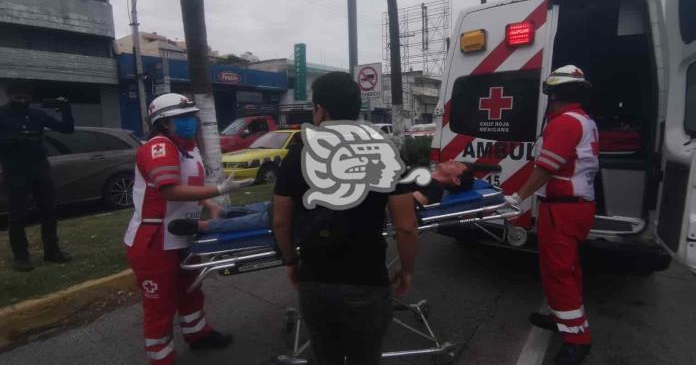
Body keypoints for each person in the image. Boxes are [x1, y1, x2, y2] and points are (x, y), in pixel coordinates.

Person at [272, 72, 419, 365]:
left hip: (316, 279)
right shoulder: (384, 149)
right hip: (366, 280)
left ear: (319, 109)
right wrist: (408, 269)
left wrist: (291, 262)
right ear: (358, 107)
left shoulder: (297, 154)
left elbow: (280, 221)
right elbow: (405, 226)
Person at [123, 92, 250, 365]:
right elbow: (169, 191)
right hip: (154, 240)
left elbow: (189, 186)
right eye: (183, 118)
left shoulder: (188, 149)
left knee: (191, 291)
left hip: (183, 233)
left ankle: (198, 334)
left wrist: (211, 203)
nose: (190, 121)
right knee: (160, 305)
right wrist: (218, 188)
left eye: (191, 116)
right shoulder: (158, 148)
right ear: (164, 123)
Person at [504, 65, 599, 365]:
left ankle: (577, 339)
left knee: (560, 270)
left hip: (564, 209)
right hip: (572, 206)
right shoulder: (583, 120)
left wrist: (517, 198)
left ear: (554, 93)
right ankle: (563, 317)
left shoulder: (565, 124)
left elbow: (546, 169)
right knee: (564, 269)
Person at [166, 160, 474, 236]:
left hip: (355, 206)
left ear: (456, 178)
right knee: (275, 205)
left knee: (278, 217)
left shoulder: (434, 189)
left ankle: (206, 228)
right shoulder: (422, 173)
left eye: (459, 164)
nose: (453, 160)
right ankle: (223, 212)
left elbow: (402, 209)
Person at [0, 81, 74, 272]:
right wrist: (14, 139)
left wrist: (66, 109)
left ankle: (52, 252)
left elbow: (67, 129)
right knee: (17, 215)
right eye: (18, 98)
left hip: (40, 168)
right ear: (10, 96)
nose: (23, 100)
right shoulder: (2, 114)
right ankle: (21, 257)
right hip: (15, 171)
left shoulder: (37, 114)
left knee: (49, 211)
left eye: (26, 98)